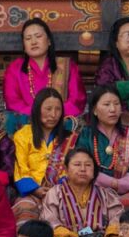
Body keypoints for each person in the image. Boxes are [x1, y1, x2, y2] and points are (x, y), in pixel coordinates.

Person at [41, 148, 123, 237]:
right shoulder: (55, 193)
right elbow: (51, 222)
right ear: (66, 169)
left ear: (94, 170)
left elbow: (118, 218)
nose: (83, 169)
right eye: (77, 164)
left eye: (88, 165)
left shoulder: (105, 194)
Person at [3, 18, 86, 136]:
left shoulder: (67, 66)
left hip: (60, 122)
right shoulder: (14, 69)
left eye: (38, 36)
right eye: (28, 38)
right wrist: (40, 115)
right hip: (28, 124)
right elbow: (13, 103)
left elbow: (77, 101)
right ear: (24, 46)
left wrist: (53, 115)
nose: (33, 42)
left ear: (49, 41)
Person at [13, 88, 80, 223]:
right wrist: (35, 189)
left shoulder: (70, 138)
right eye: (48, 109)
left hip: (62, 190)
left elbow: (73, 166)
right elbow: (20, 167)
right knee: (26, 209)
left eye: (58, 109)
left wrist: (58, 188)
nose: (53, 114)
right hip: (31, 192)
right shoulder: (23, 135)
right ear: (37, 110)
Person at [75, 85, 129, 209]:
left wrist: (121, 184)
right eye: (106, 104)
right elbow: (82, 167)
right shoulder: (86, 135)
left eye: (116, 104)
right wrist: (111, 183)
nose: (113, 109)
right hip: (92, 186)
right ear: (95, 110)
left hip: (127, 188)